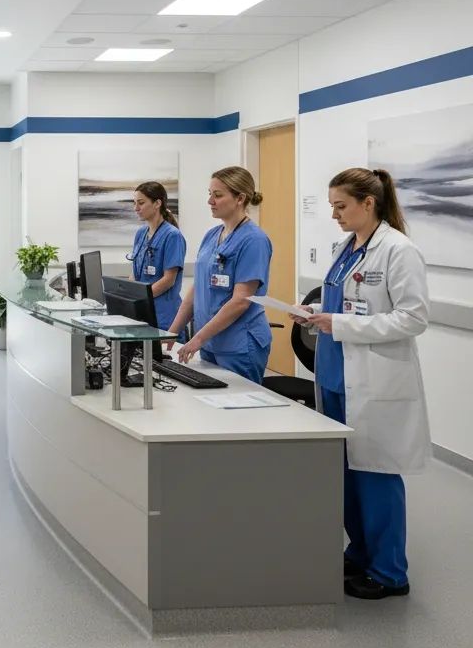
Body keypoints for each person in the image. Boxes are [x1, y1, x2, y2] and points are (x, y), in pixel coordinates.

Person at [290, 167, 431, 600]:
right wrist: (312, 314)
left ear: (368, 203)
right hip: (337, 377)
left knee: (376, 475)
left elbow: (413, 318)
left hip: (374, 381)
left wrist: (341, 324)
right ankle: (361, 552)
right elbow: (339, 302)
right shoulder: (346, 247)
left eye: (341, 206)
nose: (334, 215)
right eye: (332, 206)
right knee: (346, 474)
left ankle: (389, 573)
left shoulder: (398, 250)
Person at [167, 166, 272, 384]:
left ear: (240, 198)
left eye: (217, 195)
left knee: (237, 402)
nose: (210, 201)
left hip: (239, 344)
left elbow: (241, 301)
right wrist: (171, 334)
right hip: (210, 341)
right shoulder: (212, 236)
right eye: (210, 194)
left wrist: (198, 339)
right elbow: (196, 290)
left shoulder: (254, 240)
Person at [127, 181, 186, 332]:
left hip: (164, 315)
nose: (136, 208)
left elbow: (168, 280)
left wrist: (140, 298)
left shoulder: (173, 236)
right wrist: (128, 298)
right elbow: (135, 271)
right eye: (134, 203)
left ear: (157, 203)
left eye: (141, 203)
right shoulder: (141, 233)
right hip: (142, 312)